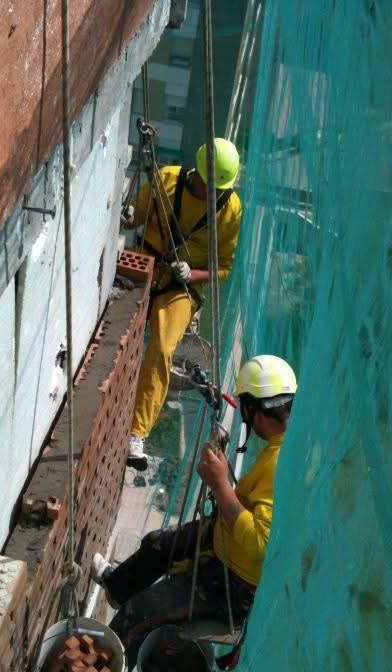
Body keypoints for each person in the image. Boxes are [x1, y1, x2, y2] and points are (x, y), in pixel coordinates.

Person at [91, 355, 297, 668]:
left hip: (233, 583)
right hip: (224, 541)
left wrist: (220, 485)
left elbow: (261, 543)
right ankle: (116, 588)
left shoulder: (279, 461)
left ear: (253, 409)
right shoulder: (286, 445)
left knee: (142, 612)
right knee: (157, 545)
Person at [126, 137, 242, 470]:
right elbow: (136, 218)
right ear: (197, 173)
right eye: (209, 185)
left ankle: (137, 433)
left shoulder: (230, 209)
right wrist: (130, 213)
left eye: (219, 189)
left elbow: (224, 267)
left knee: (163, 347)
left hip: (180, 287)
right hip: (145, 262)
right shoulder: (167, 179)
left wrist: (192, 274)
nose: (213, 193)